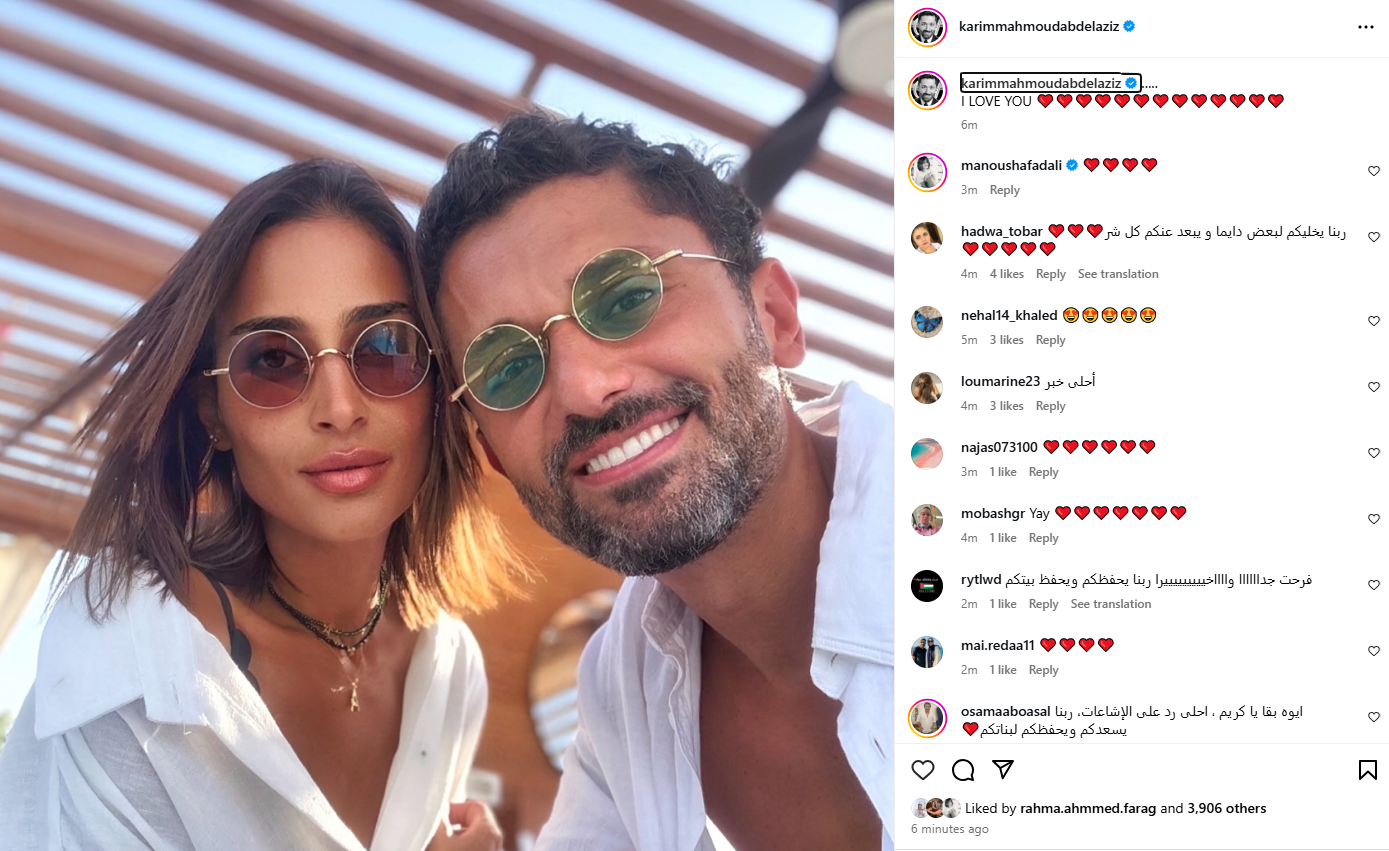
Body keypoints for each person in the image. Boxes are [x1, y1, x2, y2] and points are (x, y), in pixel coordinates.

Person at [0, 160, 524, 851]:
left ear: (436, 381)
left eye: (384, 347)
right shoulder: (131, 669)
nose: (340, 408)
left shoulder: (449, 671)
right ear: (213, 413)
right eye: (274, 361)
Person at [417, 113, 893, 850]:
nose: (583, 389)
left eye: (624, 297)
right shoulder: (622, 686)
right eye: (507, 368)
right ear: (496, 457)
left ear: (773, 316)